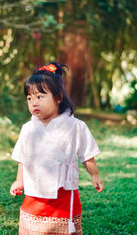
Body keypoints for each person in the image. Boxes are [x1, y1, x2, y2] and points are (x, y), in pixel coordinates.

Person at [10, 62, 104, 235]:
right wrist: (19, 180)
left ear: (58, 97)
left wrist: (94, 174)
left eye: (40, 96)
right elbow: (24, 157)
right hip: (34, 193)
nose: (34, 103)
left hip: (63, 192)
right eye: (29, 98)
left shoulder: (75, 126)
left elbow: (86, 154)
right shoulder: (28, 129)